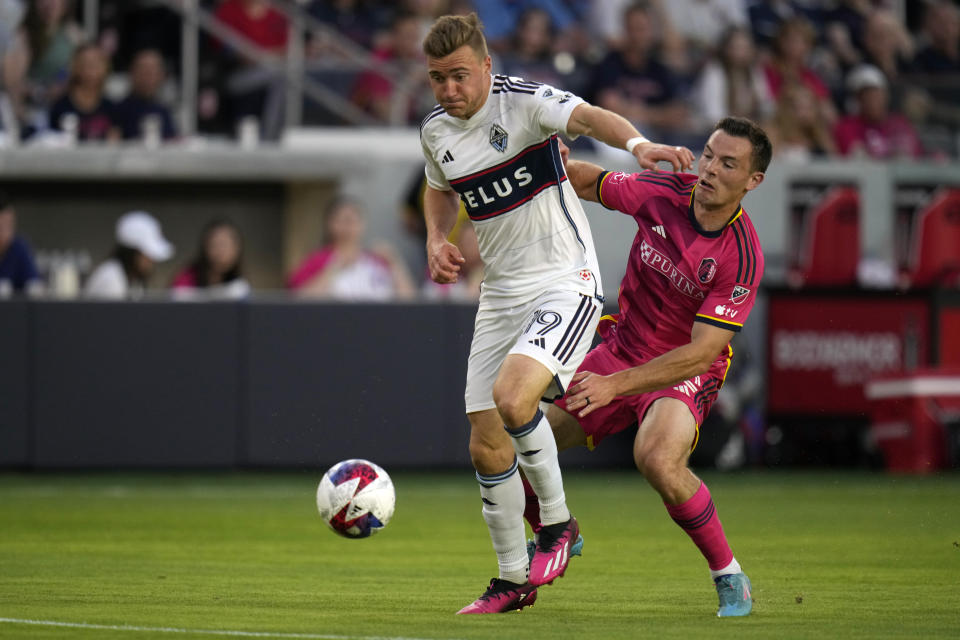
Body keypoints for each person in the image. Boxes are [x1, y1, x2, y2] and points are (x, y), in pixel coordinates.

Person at [419, 12, 694, 614]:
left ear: (488, 68)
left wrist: (640, 145)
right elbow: (439, 186)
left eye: (460, 76)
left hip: (563, 280)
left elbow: (591, 117)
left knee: (516, 401)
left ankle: (560, 527)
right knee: (486, 443)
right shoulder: (436, 130)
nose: (449, 90)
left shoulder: (523, 103)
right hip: (500, 292)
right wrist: (438, 238)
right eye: (438, 78)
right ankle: (513, 579)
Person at [525, 116, 770, 618]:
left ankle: (729, 576)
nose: (709, 169)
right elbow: (594, 183)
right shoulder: (663, 189)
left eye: (728, 164)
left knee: (657, 458)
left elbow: (702, 352)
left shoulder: (742, 257)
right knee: (527, 441)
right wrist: (552, 167)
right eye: (707, 154)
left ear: (752, 181)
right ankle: (557, 529)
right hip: (622, 345)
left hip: (684, 369)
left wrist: (617, 385)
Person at [288, 197, 415, 301]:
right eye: (343, 220)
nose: (348, 226)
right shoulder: (318, 260)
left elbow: (409, 300)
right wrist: (333, 269)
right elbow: (297, 299)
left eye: (354, 220)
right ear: (329, 224)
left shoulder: (378, 259)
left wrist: (395, 263)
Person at [833, 64, 923, 160]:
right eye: (866, 95)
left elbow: (917, 156)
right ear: (857, 100)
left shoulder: (900, 124)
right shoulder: (847, 126)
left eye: (876, 94)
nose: (872, 100)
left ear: (886, 95)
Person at [84, 210, 174, 299]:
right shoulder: (112, 278)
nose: (152, 260)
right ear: (131, 253)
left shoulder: (132, 281)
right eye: (147, 254)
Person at [48, 43, 120, 142]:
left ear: (105, 67)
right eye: (86, 63)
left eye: (96, 63)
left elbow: (115, 143)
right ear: (76, 67)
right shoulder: (60, 107)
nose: (92, 69)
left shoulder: (112, 108)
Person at [171, 218, 250, 300]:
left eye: (226, 245)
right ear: (205, 246)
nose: (221, 251)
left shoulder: (240, 286)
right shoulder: (186, 279)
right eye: (216, 244)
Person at [113, 48, 177, 142]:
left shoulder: (164, 111)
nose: (148, 75)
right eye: (143, 69)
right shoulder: (118, 111)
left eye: (153, 70)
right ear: (132, 73)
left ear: (161, 75)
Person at [0, 190, 42, 295]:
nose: (7, 232)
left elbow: (34, 285)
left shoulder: (19, 247)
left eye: (9, 224)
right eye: (2, 226)